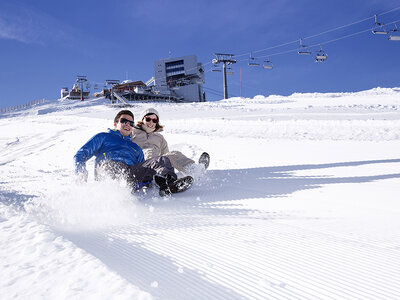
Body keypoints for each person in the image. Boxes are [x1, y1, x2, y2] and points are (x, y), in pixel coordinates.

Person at [74, 109, 193, 196]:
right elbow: (80, 155)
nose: (127, 124)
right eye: (124, 121)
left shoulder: (135, 147)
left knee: (161, 160)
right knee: (111, 165)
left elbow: (144, 169)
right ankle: (114, 191)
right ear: (116, 124)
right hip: (108, 170)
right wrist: (81, 173)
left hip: (130, 175)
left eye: (130, 123)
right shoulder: (103, 137)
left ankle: (169, 184)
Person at [131, 108, 210, 175]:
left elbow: (165, 156)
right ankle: (155, 175)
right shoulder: (132, 132)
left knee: (172, 154)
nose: (151, 122)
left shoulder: (159, 138)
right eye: (148, 119)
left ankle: (193, 170)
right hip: (139, 165)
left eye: (154, 120)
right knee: (150, 151)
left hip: (156, 165)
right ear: (142, 120)